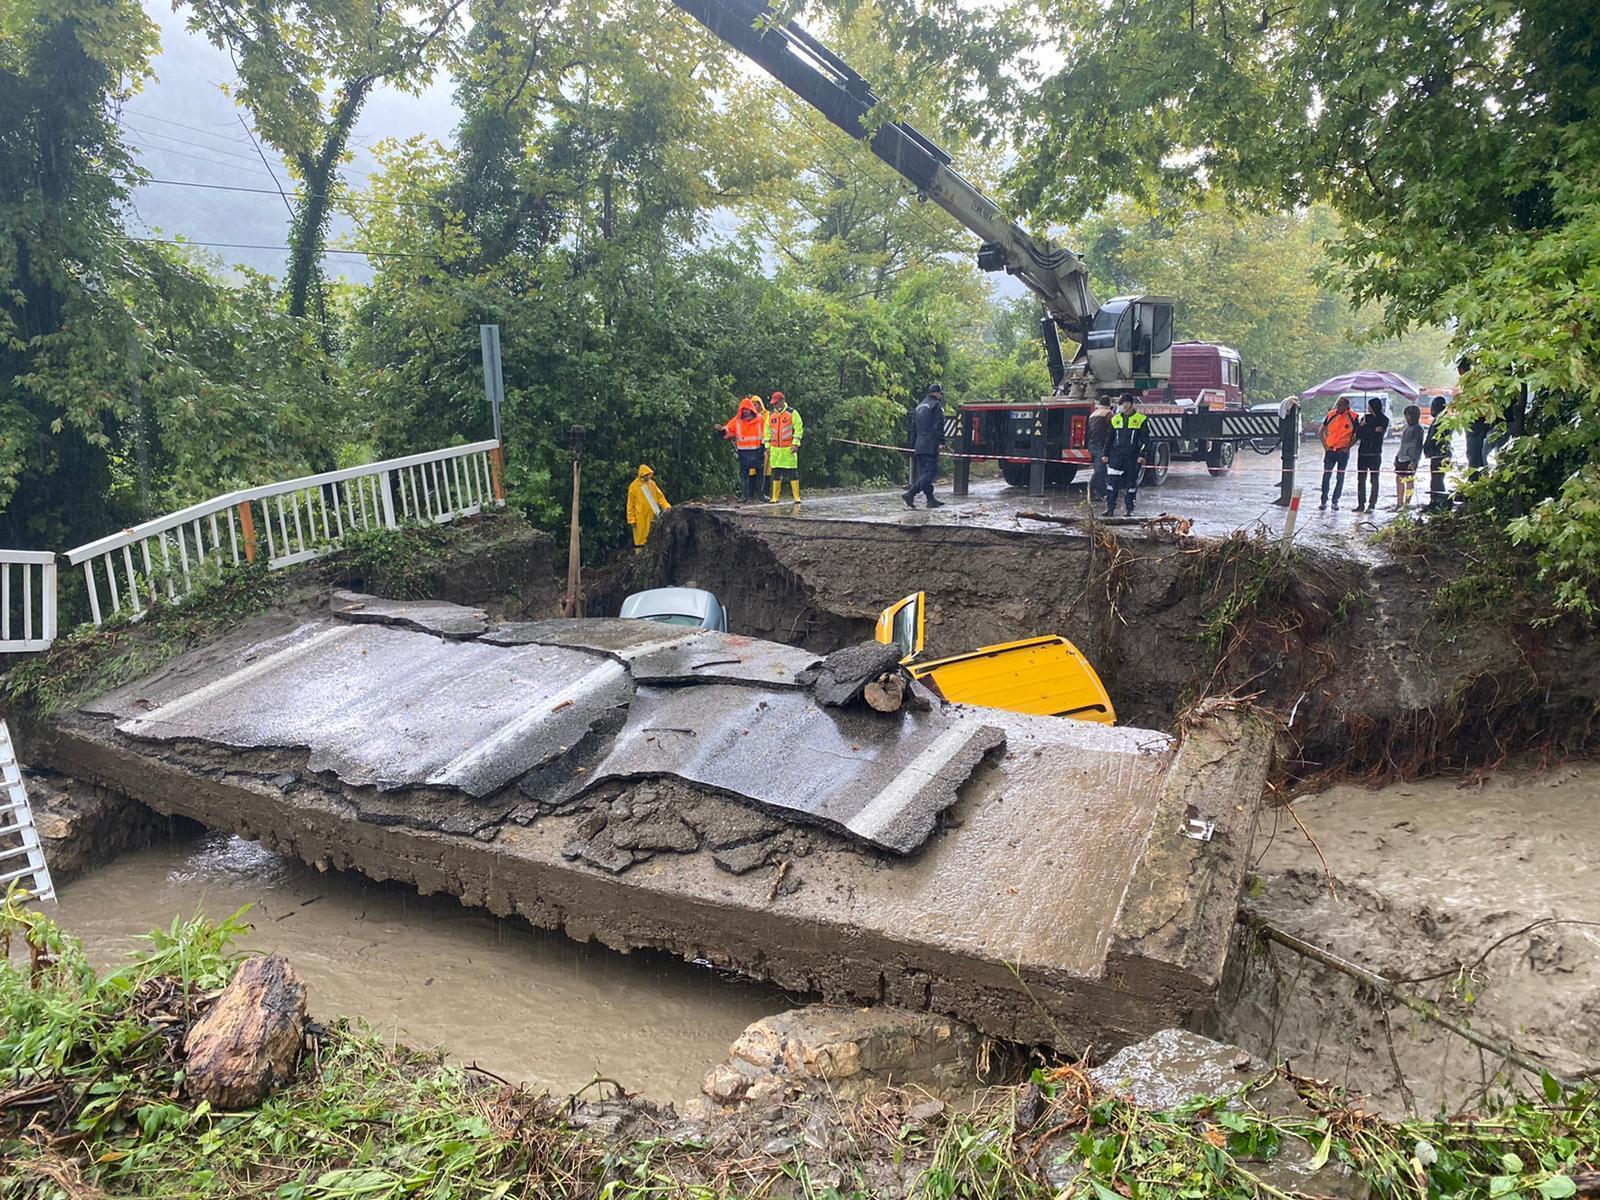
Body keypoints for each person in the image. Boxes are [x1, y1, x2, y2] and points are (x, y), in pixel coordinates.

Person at [1102, 394, 1149, 517]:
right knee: (1112, 483)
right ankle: (1110, 508)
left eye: (1125, 403)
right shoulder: (1115, 419)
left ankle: (1129, 509)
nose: (1123, 406)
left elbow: (1145, 440)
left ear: (1130, 404)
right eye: (1121, 404)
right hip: (1116, 456)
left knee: (1131, 483)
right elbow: (1109, 438)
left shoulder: (1141, 419)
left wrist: (1141, 455)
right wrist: (1105, 454)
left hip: (1132, 457)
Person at [902, 383, 948, 508]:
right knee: (929, 473)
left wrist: (912, 445)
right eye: (941, 394)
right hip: (930, 445)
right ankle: (910, 494)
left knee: (924, 473)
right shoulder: (936, 406)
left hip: (919, 445)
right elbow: (938, 426)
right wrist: (942, 441)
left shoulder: (919, 406)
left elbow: (913, 428)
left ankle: (930, 499)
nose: (941, 396)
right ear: (936, 393)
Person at [720, 395, 766, 502]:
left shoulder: (760, 419)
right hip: (743, 451)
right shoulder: (737, 420)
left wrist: (764, 446)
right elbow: (728, 429)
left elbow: (766, 432)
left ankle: (761, 495)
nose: (745, 411)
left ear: (751, 409)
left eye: (747, 409)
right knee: (744, 474)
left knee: (760, 473)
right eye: (743, 409)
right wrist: (722, 430)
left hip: (757, 450)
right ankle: (744, 496)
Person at [1318, 395, 1359, 510]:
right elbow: (1321, 431)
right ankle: (1323, 500)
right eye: (1337, 404)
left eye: (1340, 405)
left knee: (1340, 477)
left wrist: (1348, 447)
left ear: (1346, 406)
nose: (1338, 407)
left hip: (1343, 452)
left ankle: (1335, 501)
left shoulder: (1353, 417)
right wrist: (1325, 447)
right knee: (1326, 476)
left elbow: (1357, 435)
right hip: (1330, 450)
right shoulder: (1331, 415)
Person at [764, 391, 803, 504]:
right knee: (776, 473)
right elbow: (767, 431)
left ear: (782, 401)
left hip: (788, 448)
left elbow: (798, 428)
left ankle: (796, 496)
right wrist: (767, 446)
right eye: (773, 403)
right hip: (775, 449)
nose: (774, 405)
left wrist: (796, 443)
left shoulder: (792, 413)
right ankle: (775, 497)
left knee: (793, 472)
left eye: (776, 402)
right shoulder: (771, 415)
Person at [1353, 396, 1389, 513]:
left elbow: (1378, 435)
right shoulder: (1365, 418)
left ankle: (1372, 504)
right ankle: (1360, 504)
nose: (1368, 408)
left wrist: (1367, 430)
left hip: (1375, 453)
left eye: (1369, 405)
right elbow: (1359, 434)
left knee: (1374, 479)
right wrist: (1364, 428)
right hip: (1363, 453)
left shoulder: (1384, 419)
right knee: (1361, 479)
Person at [626, 463, 670, 552]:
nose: (648, 477)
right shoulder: (634, 486)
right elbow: (630, 504)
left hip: (653, 515)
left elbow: (660, 497)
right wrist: (631, 519)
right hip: (640, 517)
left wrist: (666, 506)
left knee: (653, 537)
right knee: (640, 540)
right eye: (646, 475)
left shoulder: (652, 484)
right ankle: (639, 558)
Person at [1424, 394, 1451, 509]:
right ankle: (1435, 501)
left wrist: (1429, 448)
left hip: (1439, 454)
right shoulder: (1440, 420)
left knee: (1437, 479)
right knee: (1435, 479)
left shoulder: (1442, 421)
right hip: (1437, 454)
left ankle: (1438, 503)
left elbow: (1436, 438)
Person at [1394, 404, 1424, 508]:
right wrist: (1397, 456)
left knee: (1409, 480)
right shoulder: (1407, 427)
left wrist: (1414, 461)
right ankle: (1399, 503)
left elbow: (1418, 446)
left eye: (1408, 415)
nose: (1406, 417)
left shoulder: (1418, 429)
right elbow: (1403, 444)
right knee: (1399, 479)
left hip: (1410, 458)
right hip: (1402, 457)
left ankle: (1406, 503)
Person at [1086, 398, 1113, 504]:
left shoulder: (1093, 414)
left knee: (1101, 470)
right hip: (1100, 445)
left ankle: (1100, 493)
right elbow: (1113, 429)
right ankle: (1092, 490)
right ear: (1109, 404)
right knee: (1100, 469)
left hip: (1092, 444)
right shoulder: (1108, 413)